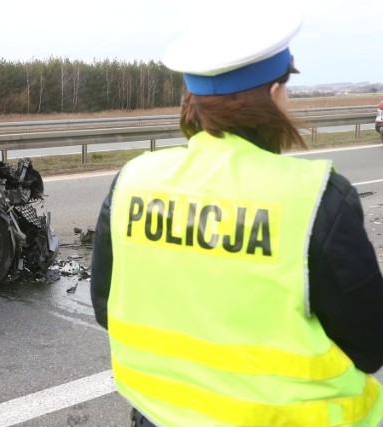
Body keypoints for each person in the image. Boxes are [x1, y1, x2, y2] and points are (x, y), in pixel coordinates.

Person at [90, 5, 383, 427]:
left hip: (159, 415)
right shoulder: (314, 195)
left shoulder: (132, 180)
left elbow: (106, 306)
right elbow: (369, 344)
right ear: (273, 94)